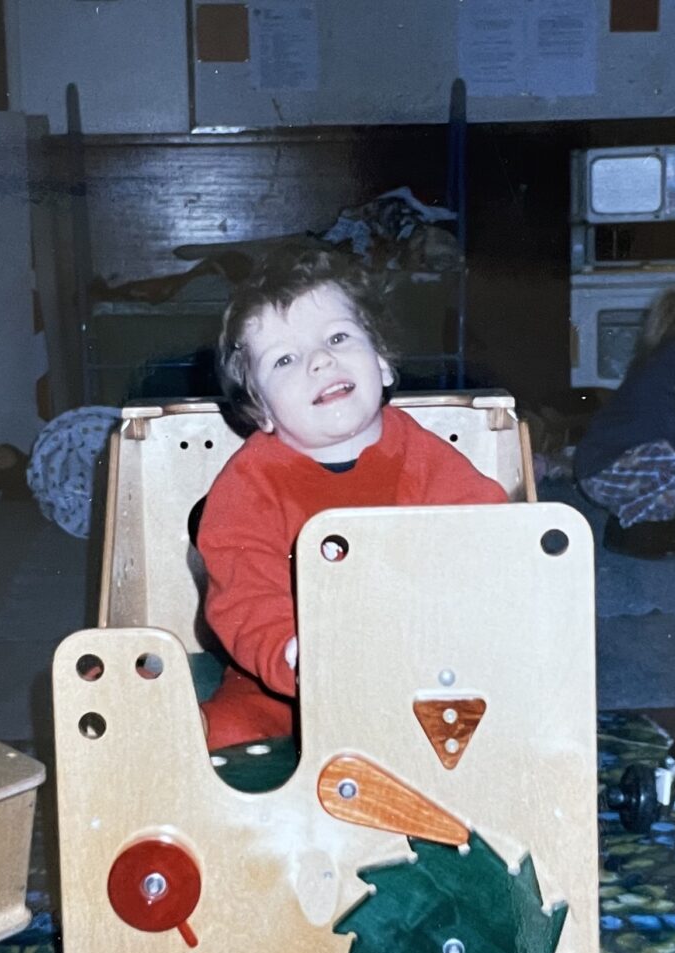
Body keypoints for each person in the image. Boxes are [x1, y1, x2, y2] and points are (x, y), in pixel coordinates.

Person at [196, 247, 507, 751]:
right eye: (285, 359)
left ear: (383, 365)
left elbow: (489, 535)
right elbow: (245, 593)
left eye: (338, 337)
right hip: (286, 686)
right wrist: (291, 651)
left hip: (419, 669)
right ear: (261, 412)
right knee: (215, 739)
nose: (321, 360)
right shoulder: (248, 485)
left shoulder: (423, 457)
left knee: (496, 732)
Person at [574, 264, 675, 559]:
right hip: (602, 470)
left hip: (628, 459)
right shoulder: (671, 367)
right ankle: (629, 531)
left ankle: (663, 521)